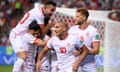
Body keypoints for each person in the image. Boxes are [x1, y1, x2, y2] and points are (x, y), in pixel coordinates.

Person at [9, 1, 56, 72]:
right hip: (17, 35)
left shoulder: (37, 11)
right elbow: (42, 34)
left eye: (54, 10)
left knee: (25, 59)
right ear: (45, 8)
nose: (52, 12)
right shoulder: (39, 15)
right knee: (23, 57)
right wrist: (50, 25)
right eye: (51, 10)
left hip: (22, 36)